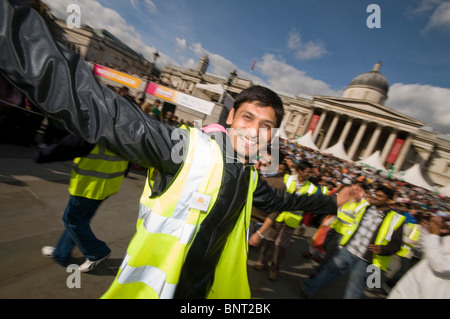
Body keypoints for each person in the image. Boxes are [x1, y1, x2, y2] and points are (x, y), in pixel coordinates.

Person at [0, 1, 357, 299]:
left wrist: (332, 201)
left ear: (272, 136)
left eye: (265, 127)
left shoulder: (249, 177)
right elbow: (98, 108)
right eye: (247, 118)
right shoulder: (185, 148)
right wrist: (12, 34)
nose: (254, 131)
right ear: (231, 117)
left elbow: (283, 202)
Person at [35, 133, 129, 272]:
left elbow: (69, 146)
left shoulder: (98, 123)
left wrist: (42, 155)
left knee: (72, 220)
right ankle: (61, 254)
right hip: (110, 183)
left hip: (89, 184)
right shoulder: (130, 127)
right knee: (79, 220)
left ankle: (97, 251)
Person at [299, 185, 405, 299]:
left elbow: (396, 245)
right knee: (330, 270)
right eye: (375, 194)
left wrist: (384, 249)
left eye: (380, 196)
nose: (376, 197)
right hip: (349, 249)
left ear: (389, 200)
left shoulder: (395, 219)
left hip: (367, 259)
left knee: (355, 286)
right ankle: (309, 289)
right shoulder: (366, 208)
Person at [254, 160, 320, 280]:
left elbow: (308, 209)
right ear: (300, 171)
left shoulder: (312, 189)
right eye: (307, 172)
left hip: (293, 220)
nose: (309, 174)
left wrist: (304, 226)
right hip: (278, 217)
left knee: (281, 246)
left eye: (311, 173)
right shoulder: (287, 179)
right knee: (269, 240)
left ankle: (274, 268)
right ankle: (262, 262)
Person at [388, 215, 450, 298]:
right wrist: (429, 229)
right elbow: (427, 249)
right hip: (410, 289)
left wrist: (434, 235)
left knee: (403, 270)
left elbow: (441, 266)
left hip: (426, 293)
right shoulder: (446, 239)